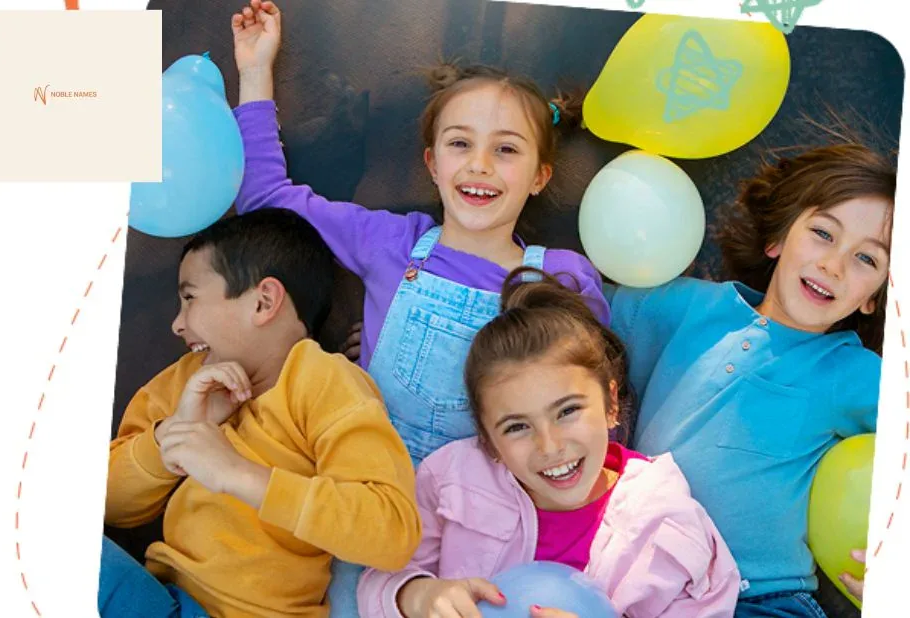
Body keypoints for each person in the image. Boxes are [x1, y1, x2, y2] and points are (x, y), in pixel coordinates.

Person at [231, 2, 611, 613]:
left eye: (506, 150)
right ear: (433, 163)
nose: (480, 165)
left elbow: (592, 404)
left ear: (540, 176)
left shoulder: (562, 277)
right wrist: (255, 72)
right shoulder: (391, 243)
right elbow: (267, 199)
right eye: (460, 144)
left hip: (489, 526)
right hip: (368, 502)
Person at [605, 143, 895, 617]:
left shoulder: (850, 371)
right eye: (823, 233)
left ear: (873, 299)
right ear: (777, 240)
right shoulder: (684, 305)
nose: (834, 264)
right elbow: (571, 316)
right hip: (641, 587)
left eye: (867, 260)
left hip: (760, 597)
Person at [358, 267, 740, 618]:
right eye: (516, 427)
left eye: (567, 411)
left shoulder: (664, 517)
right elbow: (382, 576)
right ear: (489, 441)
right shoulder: (450, 480)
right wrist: (417, 595)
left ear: (610, 405)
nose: (550, 445)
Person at [100, 209, 421, 618]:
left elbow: (391, 531)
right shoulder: (188, 379)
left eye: (190, 298)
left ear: (264, 302)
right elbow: (105, 504)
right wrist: (176, 433)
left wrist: (236, 473)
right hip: (165, 600)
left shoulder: (323, 380)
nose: (177, 324)